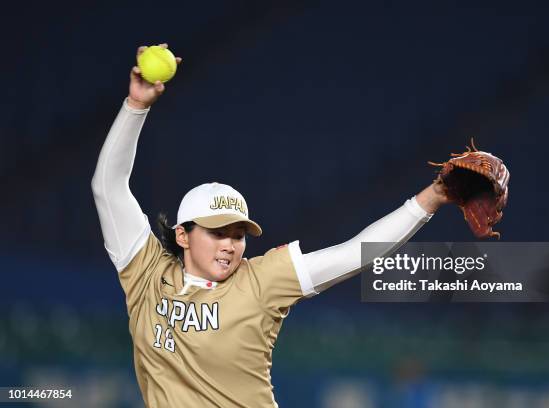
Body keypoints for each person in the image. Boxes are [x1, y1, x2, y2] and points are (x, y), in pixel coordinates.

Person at [91, 44, 450, 408]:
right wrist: (136, 106)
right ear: (183, 235)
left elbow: (354, 254)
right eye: (217, 233)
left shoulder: (261, 282)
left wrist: (431, 199)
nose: (230, 244)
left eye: (238, 235)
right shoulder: (145, 272)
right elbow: (107, 187)